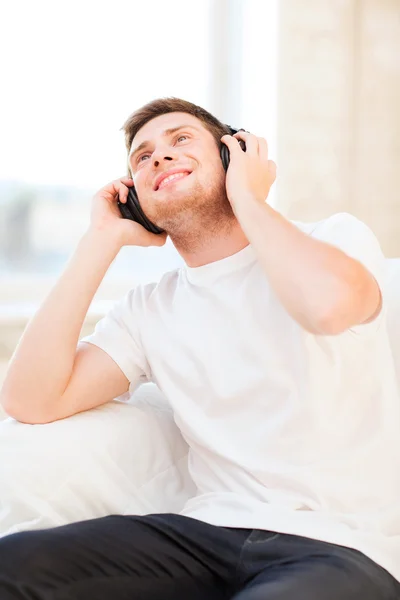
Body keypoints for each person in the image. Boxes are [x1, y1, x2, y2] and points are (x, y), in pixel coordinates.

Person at [0, 97, 399, 600]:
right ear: (135, 201)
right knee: (12, 565)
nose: (158, 159)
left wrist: (250, 199)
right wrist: (98, 240)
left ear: (234, 155)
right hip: (205, 535)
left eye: (181, 140)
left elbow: (325, 307)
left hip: (340, 546)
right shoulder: (149, 309)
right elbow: (31, 401)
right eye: (142, 158)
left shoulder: (335, 237)